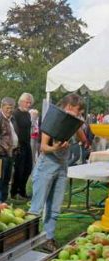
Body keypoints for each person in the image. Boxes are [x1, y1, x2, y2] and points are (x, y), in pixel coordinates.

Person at [29, 93, 87, 252]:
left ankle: (48, 238)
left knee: (54, 207)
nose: (80, 114)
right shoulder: (54, 118)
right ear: (69, 107)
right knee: (37, 207)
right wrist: (56, 148)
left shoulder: (72, 123)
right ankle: (28, 240)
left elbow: (83, 139)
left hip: (62, 166)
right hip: (47, 164)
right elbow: (43, 147)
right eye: (78, 111)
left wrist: (77, 123)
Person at [0, 97, 18, 202]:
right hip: (1, 153)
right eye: (7, 108)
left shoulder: (12, 118)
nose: (9, 110)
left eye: (11, 108)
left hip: (11, 152)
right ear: (2, 107)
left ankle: (4, 201)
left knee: (6, 179)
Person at [10, 93, 34, 200]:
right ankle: (15, 192)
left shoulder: (28, 114)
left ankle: (22, 190)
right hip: (18, 145)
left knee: (28, 168)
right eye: (27, 102)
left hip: (27, 143)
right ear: (21, 102)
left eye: (30, 103)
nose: (28, 104)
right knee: (19, 169)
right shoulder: (15, 114)